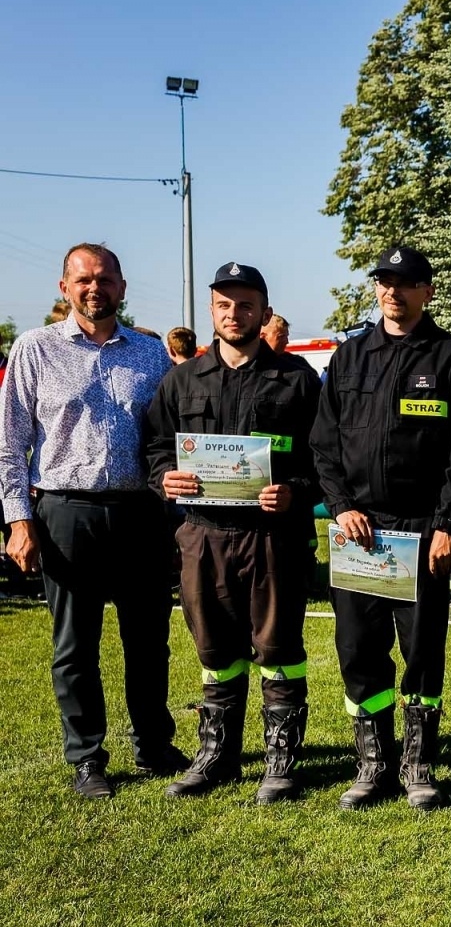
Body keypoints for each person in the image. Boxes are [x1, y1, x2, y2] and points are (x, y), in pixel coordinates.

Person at [0, 243, 188, 797]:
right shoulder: (34, 349)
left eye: (105, 279)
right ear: (64, 288)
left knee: (149, 641)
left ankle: (154, 743)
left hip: (141, 514)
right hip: (65, 511)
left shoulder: (150, 354)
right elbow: (10, 446)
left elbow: (169, 438)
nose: (94, 288)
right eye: (83, 280)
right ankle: (87, 757)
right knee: (75, 646)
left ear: (122, 287)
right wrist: (18, 520)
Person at [145, 262, 322, 802]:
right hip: (204, 535)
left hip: (273, 537)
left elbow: (324, 458)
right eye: (224, 304)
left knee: (278, 647)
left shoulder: (296, 380)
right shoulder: (181, 380)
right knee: (215, 648)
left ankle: (279, 761)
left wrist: (295, 490)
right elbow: (155, 449)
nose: (233, 313)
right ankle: (216, 756)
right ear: (211, 311)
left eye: (245, 305)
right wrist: (164, 479)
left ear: (264, 312)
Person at [310, 245, 451, 811]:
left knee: (423, 648)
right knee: (358, 649)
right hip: (359, 530)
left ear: (427, 291)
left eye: (405, 283)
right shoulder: (349, 357)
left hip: (423, 530)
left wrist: (449, 524)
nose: (393, 292)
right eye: (384, 282)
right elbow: (323, 444)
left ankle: (419, 762)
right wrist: (340, 506)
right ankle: (374, 762)